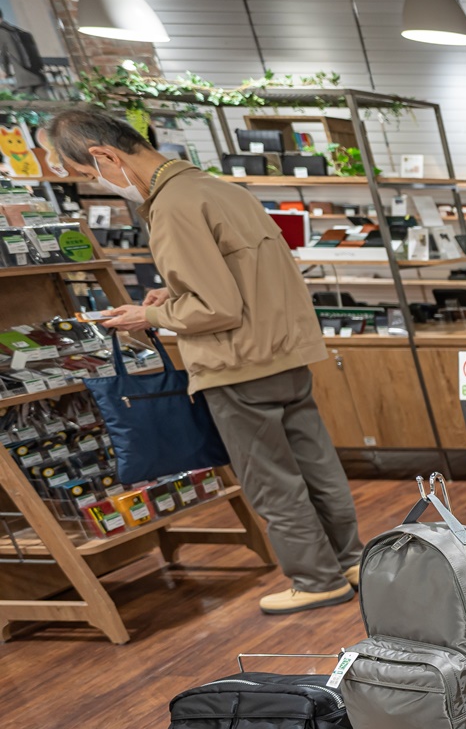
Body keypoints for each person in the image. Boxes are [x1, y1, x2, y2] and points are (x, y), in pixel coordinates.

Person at [48, 109, 362, 615]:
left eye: (89, 173)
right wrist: (173, 294)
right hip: (285, 353)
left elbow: (216, 307)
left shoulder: (172, 206)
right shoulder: (220, 190)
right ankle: (352, 562)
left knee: (270, 480)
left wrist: (150, 315)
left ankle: (315, 580)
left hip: (236, 363)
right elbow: (244, 279)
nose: (97, 183)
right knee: (317, 466)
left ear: (105, 155)